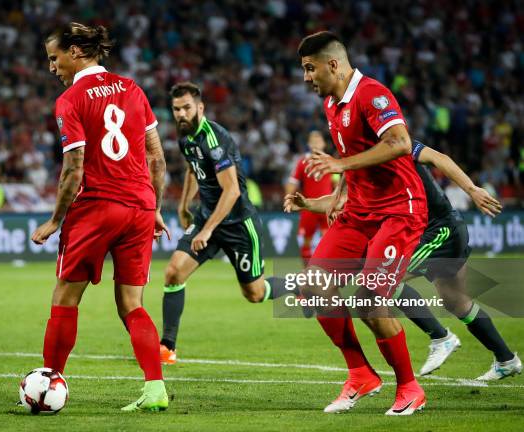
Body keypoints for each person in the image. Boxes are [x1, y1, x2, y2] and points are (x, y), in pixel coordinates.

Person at [287, 140, 521, 380]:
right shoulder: (359, 165)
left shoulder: (396, 143)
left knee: (382, 278)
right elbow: (341, 201)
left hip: (438, 229)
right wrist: (307, 204)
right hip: (430, 230)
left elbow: (440, 158)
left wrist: (472, 190)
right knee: (457, 303)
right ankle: (506, 359)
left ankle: (441, 337)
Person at [30, 22, 169, 412]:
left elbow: (73, 169)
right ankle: (155, 389)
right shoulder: (134, 89)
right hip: (140, 207)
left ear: (75, 52)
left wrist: (56, 219)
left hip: (96, 208)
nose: (52, 67)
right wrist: (155, 208)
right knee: (132, 305)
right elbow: (156, 157)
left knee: (65, 298)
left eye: (54, 58)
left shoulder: (71, 100)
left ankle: (47, 384)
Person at [296, 31, 428, 415]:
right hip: (359, 211)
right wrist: (338, 195)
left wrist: (340, 166)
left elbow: (401, 142)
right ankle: (361, 374)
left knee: (370, 302)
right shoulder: (332, 104)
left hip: (398, 211)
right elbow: (351, 157)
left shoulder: (373, 94)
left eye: (310, 68)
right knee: (314, 288)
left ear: (333, 64)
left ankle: (410, 388)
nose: (306, 77)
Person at [159, 82, 291, 364]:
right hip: (208, 217)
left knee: (254, 294)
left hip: (238, 225)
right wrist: (184, 206)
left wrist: (206, 231)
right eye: (176, 109)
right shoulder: (186, 138)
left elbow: (231, 191)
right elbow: (193, 171)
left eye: (186, 108)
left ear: (200, 108)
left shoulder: (215, 140)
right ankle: (167, 347)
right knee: (173, 273)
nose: (181, 114)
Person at [285, 130, 337, 264]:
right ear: (308, 144)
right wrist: (289, 198)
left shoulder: (330, 161)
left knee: (329, 241)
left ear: (324, 144)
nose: (316, 143)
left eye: (318, 140)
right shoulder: (302, 162)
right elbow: (292, 182)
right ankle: (307, 273)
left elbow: (338, 183)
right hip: (309, 206)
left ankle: (326, 273)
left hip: (327, 207)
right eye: (313, 140)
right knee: (305, 242)